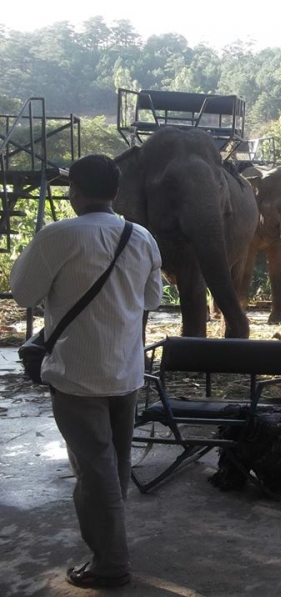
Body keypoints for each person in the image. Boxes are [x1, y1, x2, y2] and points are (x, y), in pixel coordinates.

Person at [10, 154, 163, 589]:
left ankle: (111, 562)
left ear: (74, 190)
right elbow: (151, 299)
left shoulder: (57, 235)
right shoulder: (142, 237)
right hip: (126, 372)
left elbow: (23, 291)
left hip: (76, 374)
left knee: (94, 471)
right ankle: (110, 545)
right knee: (112, 466)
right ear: (115, 192)